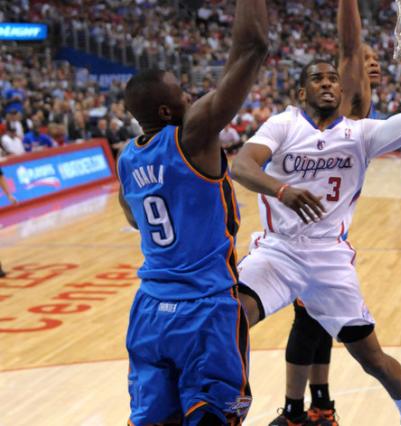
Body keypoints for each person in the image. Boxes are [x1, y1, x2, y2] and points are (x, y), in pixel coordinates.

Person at [232, 54, 401, 426]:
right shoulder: (284, 124)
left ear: (342, 90)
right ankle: (233, 401)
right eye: (318, 78)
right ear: (302, 92)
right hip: (277, 251)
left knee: (371, 358)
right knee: (228, 316)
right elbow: (241, 166)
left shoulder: (360, 135)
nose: (328, 83)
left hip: (328, 259)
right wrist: (282, 190)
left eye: (333, 78)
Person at [116, 0, 269, 423]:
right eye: (183, 93)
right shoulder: (192, 135)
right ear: (168, 111)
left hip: (148, 311)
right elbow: (253, 47)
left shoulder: (127, 159)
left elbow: (134, 218)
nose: (192, 96)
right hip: (204, 310)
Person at [268, 1, 382, 424]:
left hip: (319, 239)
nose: (370, 65)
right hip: (298, 234)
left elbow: (352, 51)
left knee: (314, 325)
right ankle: (315, 406)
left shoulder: (356, 112)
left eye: (374, 60)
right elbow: (349, 46)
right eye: (364, 59)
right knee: (312, 323)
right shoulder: (332, 106)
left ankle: (308, 409)